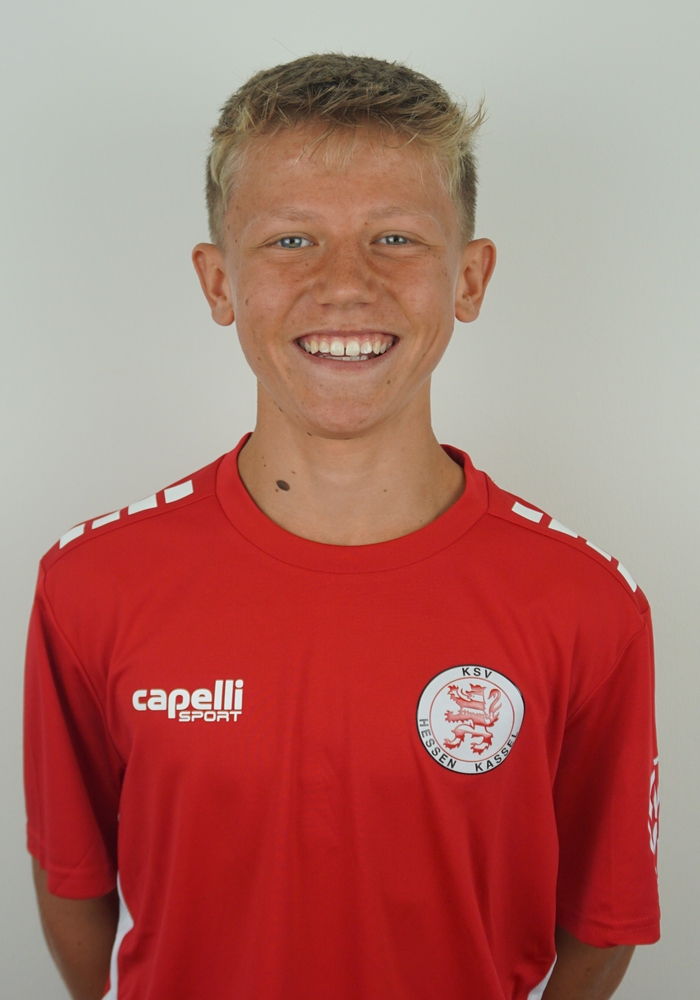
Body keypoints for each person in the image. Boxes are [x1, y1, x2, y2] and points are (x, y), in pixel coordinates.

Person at [24, 54, 660, 1000]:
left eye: (395, 237)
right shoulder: (90, 585)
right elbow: (75, 881)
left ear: (470, 278)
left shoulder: (587, 604)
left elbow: (602, 922)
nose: (346, 284)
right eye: (292, 240)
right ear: (218, 283)